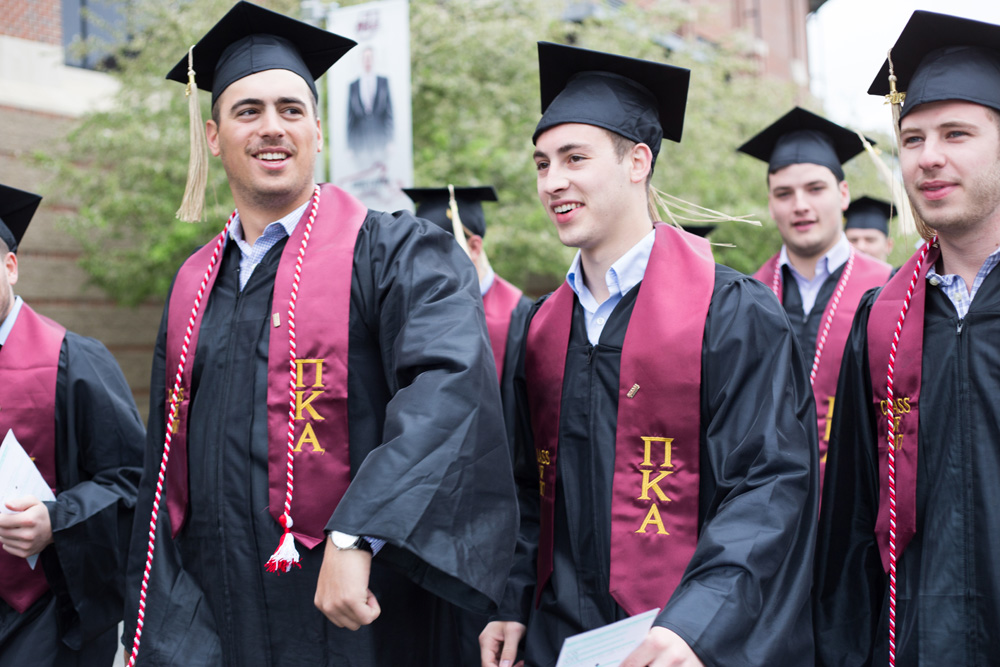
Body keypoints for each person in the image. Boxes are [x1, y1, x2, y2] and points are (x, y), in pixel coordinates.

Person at [122, 3, 517, 666]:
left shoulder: (398, 254)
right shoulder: (194, 286)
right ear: (213, 136)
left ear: (317, 130)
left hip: (364, 619)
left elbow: (449, 390)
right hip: (225, 618)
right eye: (248, 111)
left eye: (291, 109)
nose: (272, 127)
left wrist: (358, 532)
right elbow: (165, 472)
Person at [481, 42, 819, 667]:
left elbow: (769, 487)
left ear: (637, 161)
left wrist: (694, 625)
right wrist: (513, 599)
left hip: (686, 643)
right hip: (565, 643)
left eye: (575, 158)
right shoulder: (542, 328)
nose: (553, 181)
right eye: (542, 163)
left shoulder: (731, 312)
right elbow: (529, 490)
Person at [814, 10, 1000, 665]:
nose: (928, 157)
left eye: (956, 133)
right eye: (913, 137)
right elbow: (849, 529)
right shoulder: (882, 320)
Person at [0, 184, 145, 666]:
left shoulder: (74, 360)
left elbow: (134, 483)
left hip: (47, 615)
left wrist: (56, 521)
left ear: (11, 266)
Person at [739, 107, 892, 490]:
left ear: (843, 194)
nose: (800, 205)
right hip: (767, 499)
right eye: (784, 194)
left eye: (815, 188)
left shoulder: (890, 291)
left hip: (861, 498)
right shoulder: (743, 297)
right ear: (771, 203)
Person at [403, 185, 533, 450]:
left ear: (474, 246)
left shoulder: (521, 315)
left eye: (439, 253)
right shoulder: (415, 310)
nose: (427, 266)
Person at [347, 45, 394, 158]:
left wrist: (390, 140)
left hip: (380, 139)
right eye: (365, 58)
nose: (368, 61)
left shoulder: (383, 82)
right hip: (360, 142)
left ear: (374, 60)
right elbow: (350, 117)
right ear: (361, 61)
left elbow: (389, 113)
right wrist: (350, 146)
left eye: (370, 58)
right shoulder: (353, 85)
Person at [844, 196, 895, 263]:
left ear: (888, 245)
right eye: (853, 240)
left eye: (870, 240)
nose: (861, 247)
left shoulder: (905, 270)